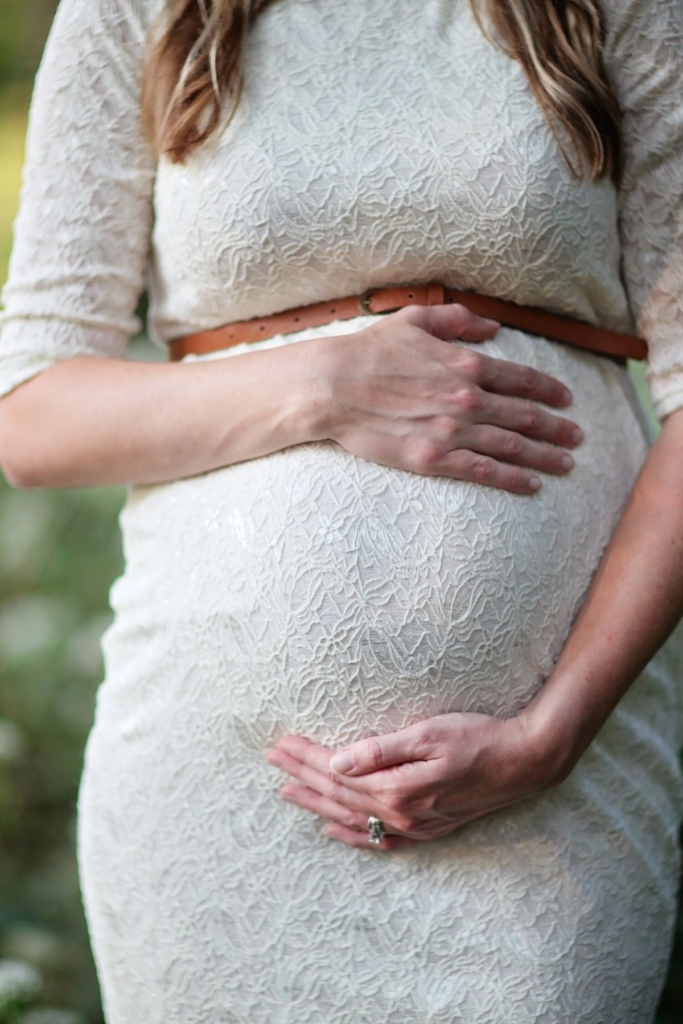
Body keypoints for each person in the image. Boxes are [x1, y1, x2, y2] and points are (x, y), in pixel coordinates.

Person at [0, 0, 682, 1019]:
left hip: (554, 800)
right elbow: (31, 415)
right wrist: (323, 384)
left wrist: (546, 735)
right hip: (214, 796)